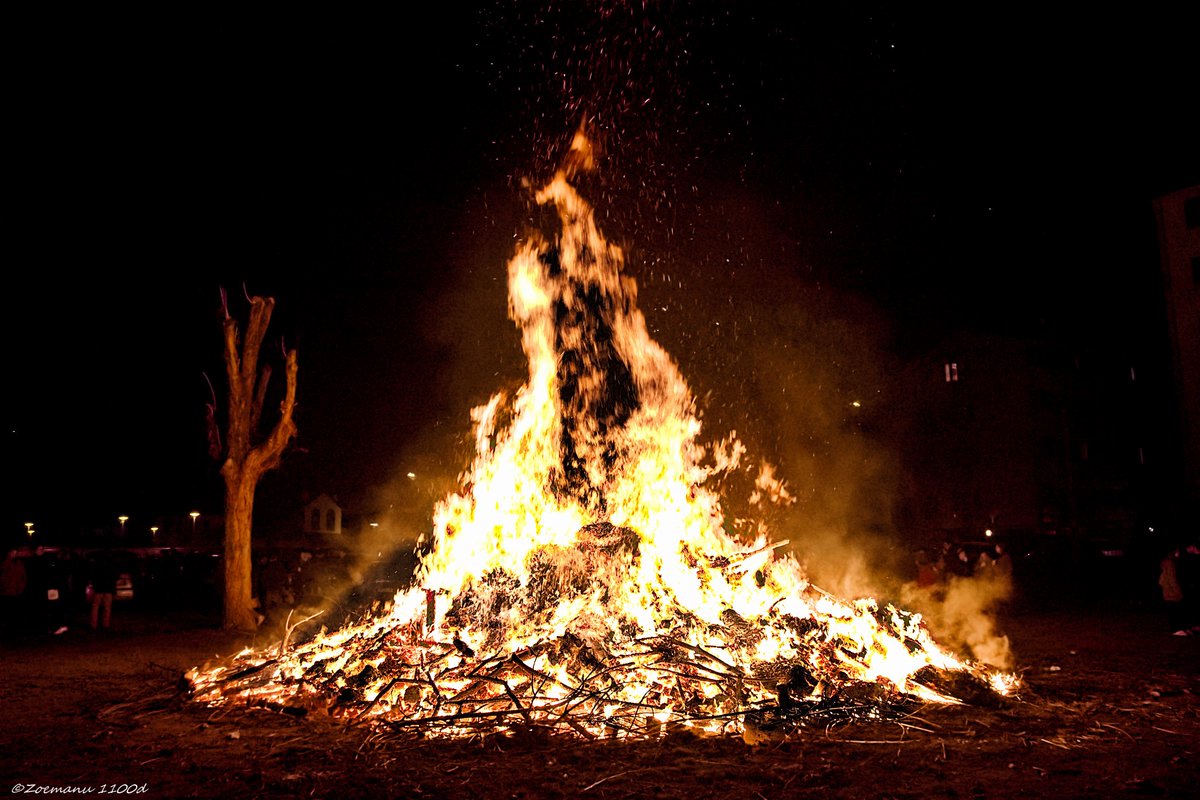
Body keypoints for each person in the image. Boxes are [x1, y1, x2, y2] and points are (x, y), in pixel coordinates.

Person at [89, 549, 119, 631]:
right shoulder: (111, 564)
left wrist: (94, 584)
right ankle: (105, 624)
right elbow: (116, 576)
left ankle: (93, 624)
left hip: (98, 588)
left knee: (95, 607)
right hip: (108, 588)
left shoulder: (96, 565)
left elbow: (92, 575)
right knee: (107, 607)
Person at [1, 548, 28, 638]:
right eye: (13, 552)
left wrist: (21, 587)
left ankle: (15, 630)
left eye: (16, 553)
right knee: (8, 612)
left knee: (16, 612)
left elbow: (23, 576)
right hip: (7, 592)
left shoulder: (19, 563)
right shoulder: (5, 562)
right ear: (9, 553)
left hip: (17, 592)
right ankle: (8, 630)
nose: (15, 554)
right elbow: (3, 576)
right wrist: (4, 587)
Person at [1158, 547, 1185, 635]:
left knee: (1173, 609)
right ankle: (1176, 629)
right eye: (1177, 551)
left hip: (1168, 589)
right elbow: (1171, 578)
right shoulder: (1170, 562)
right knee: (1174, 609)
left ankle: (1176, 628)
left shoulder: (1167, 561)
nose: (1178, 553)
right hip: (1170, 590)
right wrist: (1177, 591)